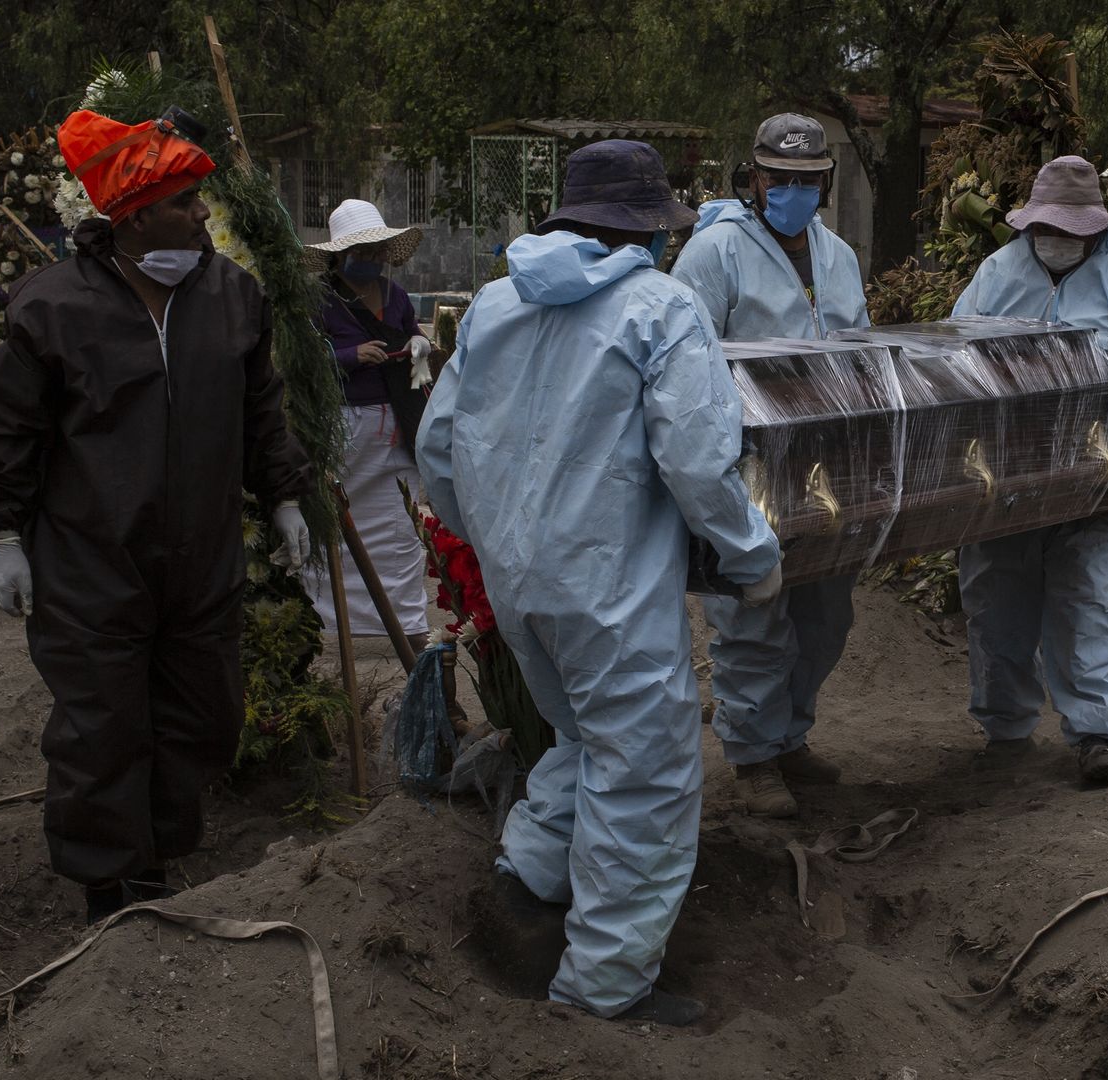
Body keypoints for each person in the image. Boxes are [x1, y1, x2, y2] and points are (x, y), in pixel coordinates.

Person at [416, 139, 781, 1026]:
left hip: (520, 586)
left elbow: (435, 449)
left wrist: (502, 539)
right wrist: (754, 558)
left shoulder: (495, 305)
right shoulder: (661, 307)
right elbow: (699, 463)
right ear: (650, 231)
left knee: (582, 738)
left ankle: (528, 874)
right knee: (647, 770)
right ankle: (606, 987)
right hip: (610, 595)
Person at [0, 108, 313, 922]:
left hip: (201, 557)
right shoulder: (52, 308)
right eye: (186, 201)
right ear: (134, 213)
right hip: (92, 559)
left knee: (203, 712)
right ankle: (112, 886)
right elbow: (7, 432)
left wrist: (286, 494)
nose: (202, 214)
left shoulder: (232, 297)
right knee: (101, 725)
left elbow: (263, 409)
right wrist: (3, 535)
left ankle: (157, 851)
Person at [950, 155, 1108, 784]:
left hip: (1098, 479)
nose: (1058, 240)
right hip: (1004, 481)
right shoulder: (994, 277)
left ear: (1094, 229)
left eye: (1069, 230)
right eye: (1048, 228)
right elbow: (947, 370)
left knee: (1092, 602)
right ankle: (1005, 731)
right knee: (997, 603)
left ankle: (1101, 735)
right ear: (1030, 225)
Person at [670, 112, 868, 819]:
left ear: (825, 182)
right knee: (752, 612)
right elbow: (685, 366)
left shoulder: (838, 255)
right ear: (753, 178)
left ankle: (790, 736)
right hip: (747, 468)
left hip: (824, 468)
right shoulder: (712, 254)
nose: (793, 190)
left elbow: (859, 353)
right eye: (779, 179)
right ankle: (753, 756)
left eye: (807, 180)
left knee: (825, 615)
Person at [305, 199, 432, 652]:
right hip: (343, 427)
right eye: (364, 251)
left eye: (378, 249)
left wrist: (418, 343)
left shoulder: (394, 294)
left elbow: (413, 329)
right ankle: (327, 620)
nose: (373, 258)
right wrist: (348, 357)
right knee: (337, 521)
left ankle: (406, 622)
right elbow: (299, 358)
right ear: (341, 255)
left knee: (400, 523)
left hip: (397, 422)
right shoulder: (318, 298)